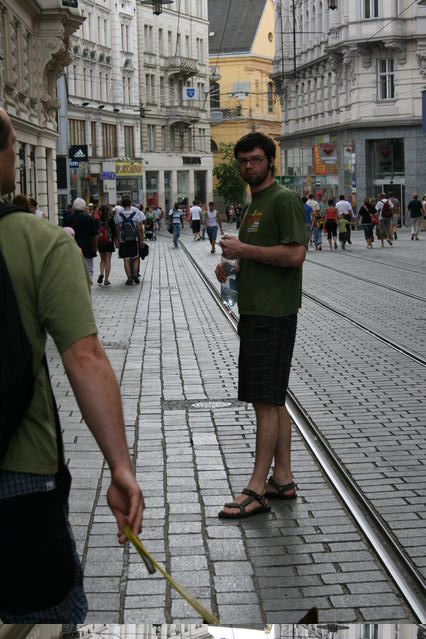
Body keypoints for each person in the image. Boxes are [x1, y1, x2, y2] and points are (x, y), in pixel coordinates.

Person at [0, 107, 144, 622]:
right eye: (13, 147)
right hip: (20, 466)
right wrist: (120, 467)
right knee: (46, 614)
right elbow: (84, 358)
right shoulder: (40, 241)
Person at [215, 132, 306, 519]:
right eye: (242, 161)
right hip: (255, 311)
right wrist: (233, 265)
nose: (248, 166)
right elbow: (259, 254)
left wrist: (244, 249)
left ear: (271, 160)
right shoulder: (254, 204)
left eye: (254, 159)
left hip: (274, 313)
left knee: (265, 403)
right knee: (273, 398)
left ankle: (255, 489)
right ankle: (281, 478)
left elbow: (295, 254)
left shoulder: (283, 200)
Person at [63, 197, 99, 284]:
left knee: (74, 267)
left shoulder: (67, 219)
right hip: (87, 247)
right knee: (88, 268)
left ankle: (77, 283)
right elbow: (95, 235)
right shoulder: (88, 219)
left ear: (73, 207)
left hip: (72, 248)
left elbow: (63, 233)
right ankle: (88, 283)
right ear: (84, 207)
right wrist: (95, 247)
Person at [114, 195, 145, 285]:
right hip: (134, 239)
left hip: (123, 240)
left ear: (122, 203)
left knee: (126, 259)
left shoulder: (118, 212)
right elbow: (139, 228)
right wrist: (141, 240)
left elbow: (117, 228)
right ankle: (135, 272)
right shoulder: (136, 211)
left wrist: (118, 240)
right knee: (135, 257)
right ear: (130, 202)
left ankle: (129, 278)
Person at [97, 205, 115, 286]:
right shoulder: (110, 220)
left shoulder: (98, 220)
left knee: (102, 260)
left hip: (101, 242)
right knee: (108, 261)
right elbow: (114, 231)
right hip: (109, 242)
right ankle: (106, 280)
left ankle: (101, 273)